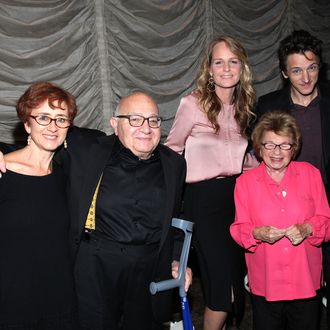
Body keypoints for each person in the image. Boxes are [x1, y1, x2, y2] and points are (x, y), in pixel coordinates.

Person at [165, 35, 257, 330]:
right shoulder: (192, 104)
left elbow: (243, 159)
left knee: (234, 287)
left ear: (242, 68)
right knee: (222, 293)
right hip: (202, 202)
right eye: (219, 62)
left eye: (233, 62)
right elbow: (172, 151)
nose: (226, 68)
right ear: (209, 68)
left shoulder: (245, 109)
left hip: (237, 201)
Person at [254, 29, 330, 323]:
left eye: (312, 68)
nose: (306, 77)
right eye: (296, 70)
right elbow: (259, 149)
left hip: (328, 201)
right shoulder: (268, 105)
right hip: (291, 205)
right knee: (298, 290)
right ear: (285, 73)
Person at [230, 111, 330, 330]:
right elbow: (239, 228)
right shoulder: (245, 183)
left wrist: (307, 228)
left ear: (294, 148)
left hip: (305, 279)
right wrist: (257, 233)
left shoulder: (311, 174)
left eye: (285, 145)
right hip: (266, 282)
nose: (277, 152)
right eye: (270, 145)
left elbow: (326, 220)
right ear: (258, 147)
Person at [0, 82, 78, 328]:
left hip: (61, 300)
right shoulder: (3, 172)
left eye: (61, 119)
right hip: (11, 303)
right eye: (43, 117)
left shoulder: (67, 174)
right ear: (26, 124)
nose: (53, 127)